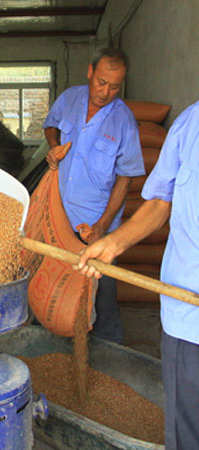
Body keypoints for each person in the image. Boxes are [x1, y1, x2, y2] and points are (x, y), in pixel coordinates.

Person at [75, 101, 199, 450]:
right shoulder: (191, 123)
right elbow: (160, 202)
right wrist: (112, 244)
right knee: (187, 434)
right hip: (189, 321)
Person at [41, 47, 145, 343]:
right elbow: (51, 124)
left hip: (97, 226)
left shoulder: (123, 120)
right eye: (101, 82)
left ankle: (108, 358)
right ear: (90, 72)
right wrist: (54, 145)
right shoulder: (70, 98)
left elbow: (124, 178)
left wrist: (102, 226)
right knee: (54, 291)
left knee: (103, 300)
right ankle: (53, 351)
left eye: (114, 86)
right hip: (59, 220)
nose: (106, 92)